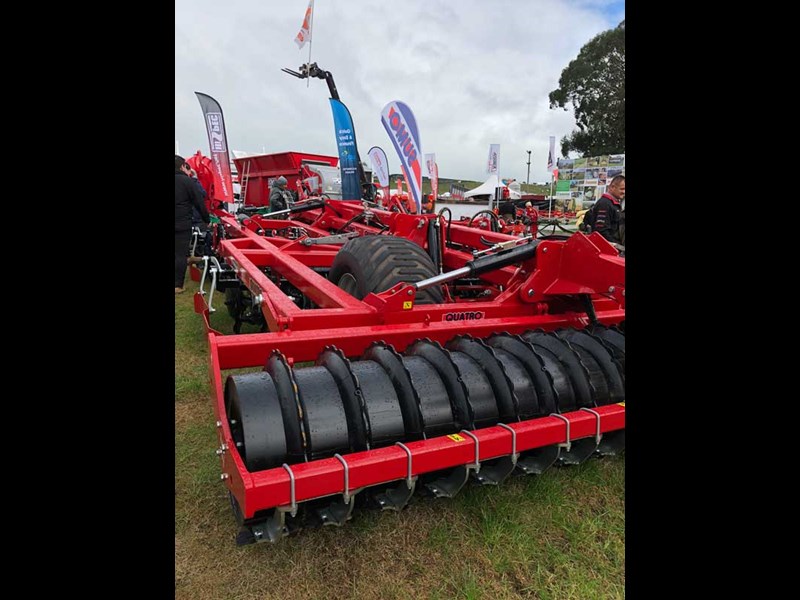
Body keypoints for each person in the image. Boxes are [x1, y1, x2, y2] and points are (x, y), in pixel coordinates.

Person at [175, 155, 210, 294]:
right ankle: (178, 285)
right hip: (182, 223)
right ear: (182, 166)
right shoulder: (187, 181)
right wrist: (206, 219)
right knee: (180, 255)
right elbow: (199, 202)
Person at [592, 175, 625, 244]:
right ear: (612, 187)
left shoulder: (614, 204)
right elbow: (602, 231)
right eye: (622, 189)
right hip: (609, 249)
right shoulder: (605, 204)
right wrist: (617, 248)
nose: (624, 192)